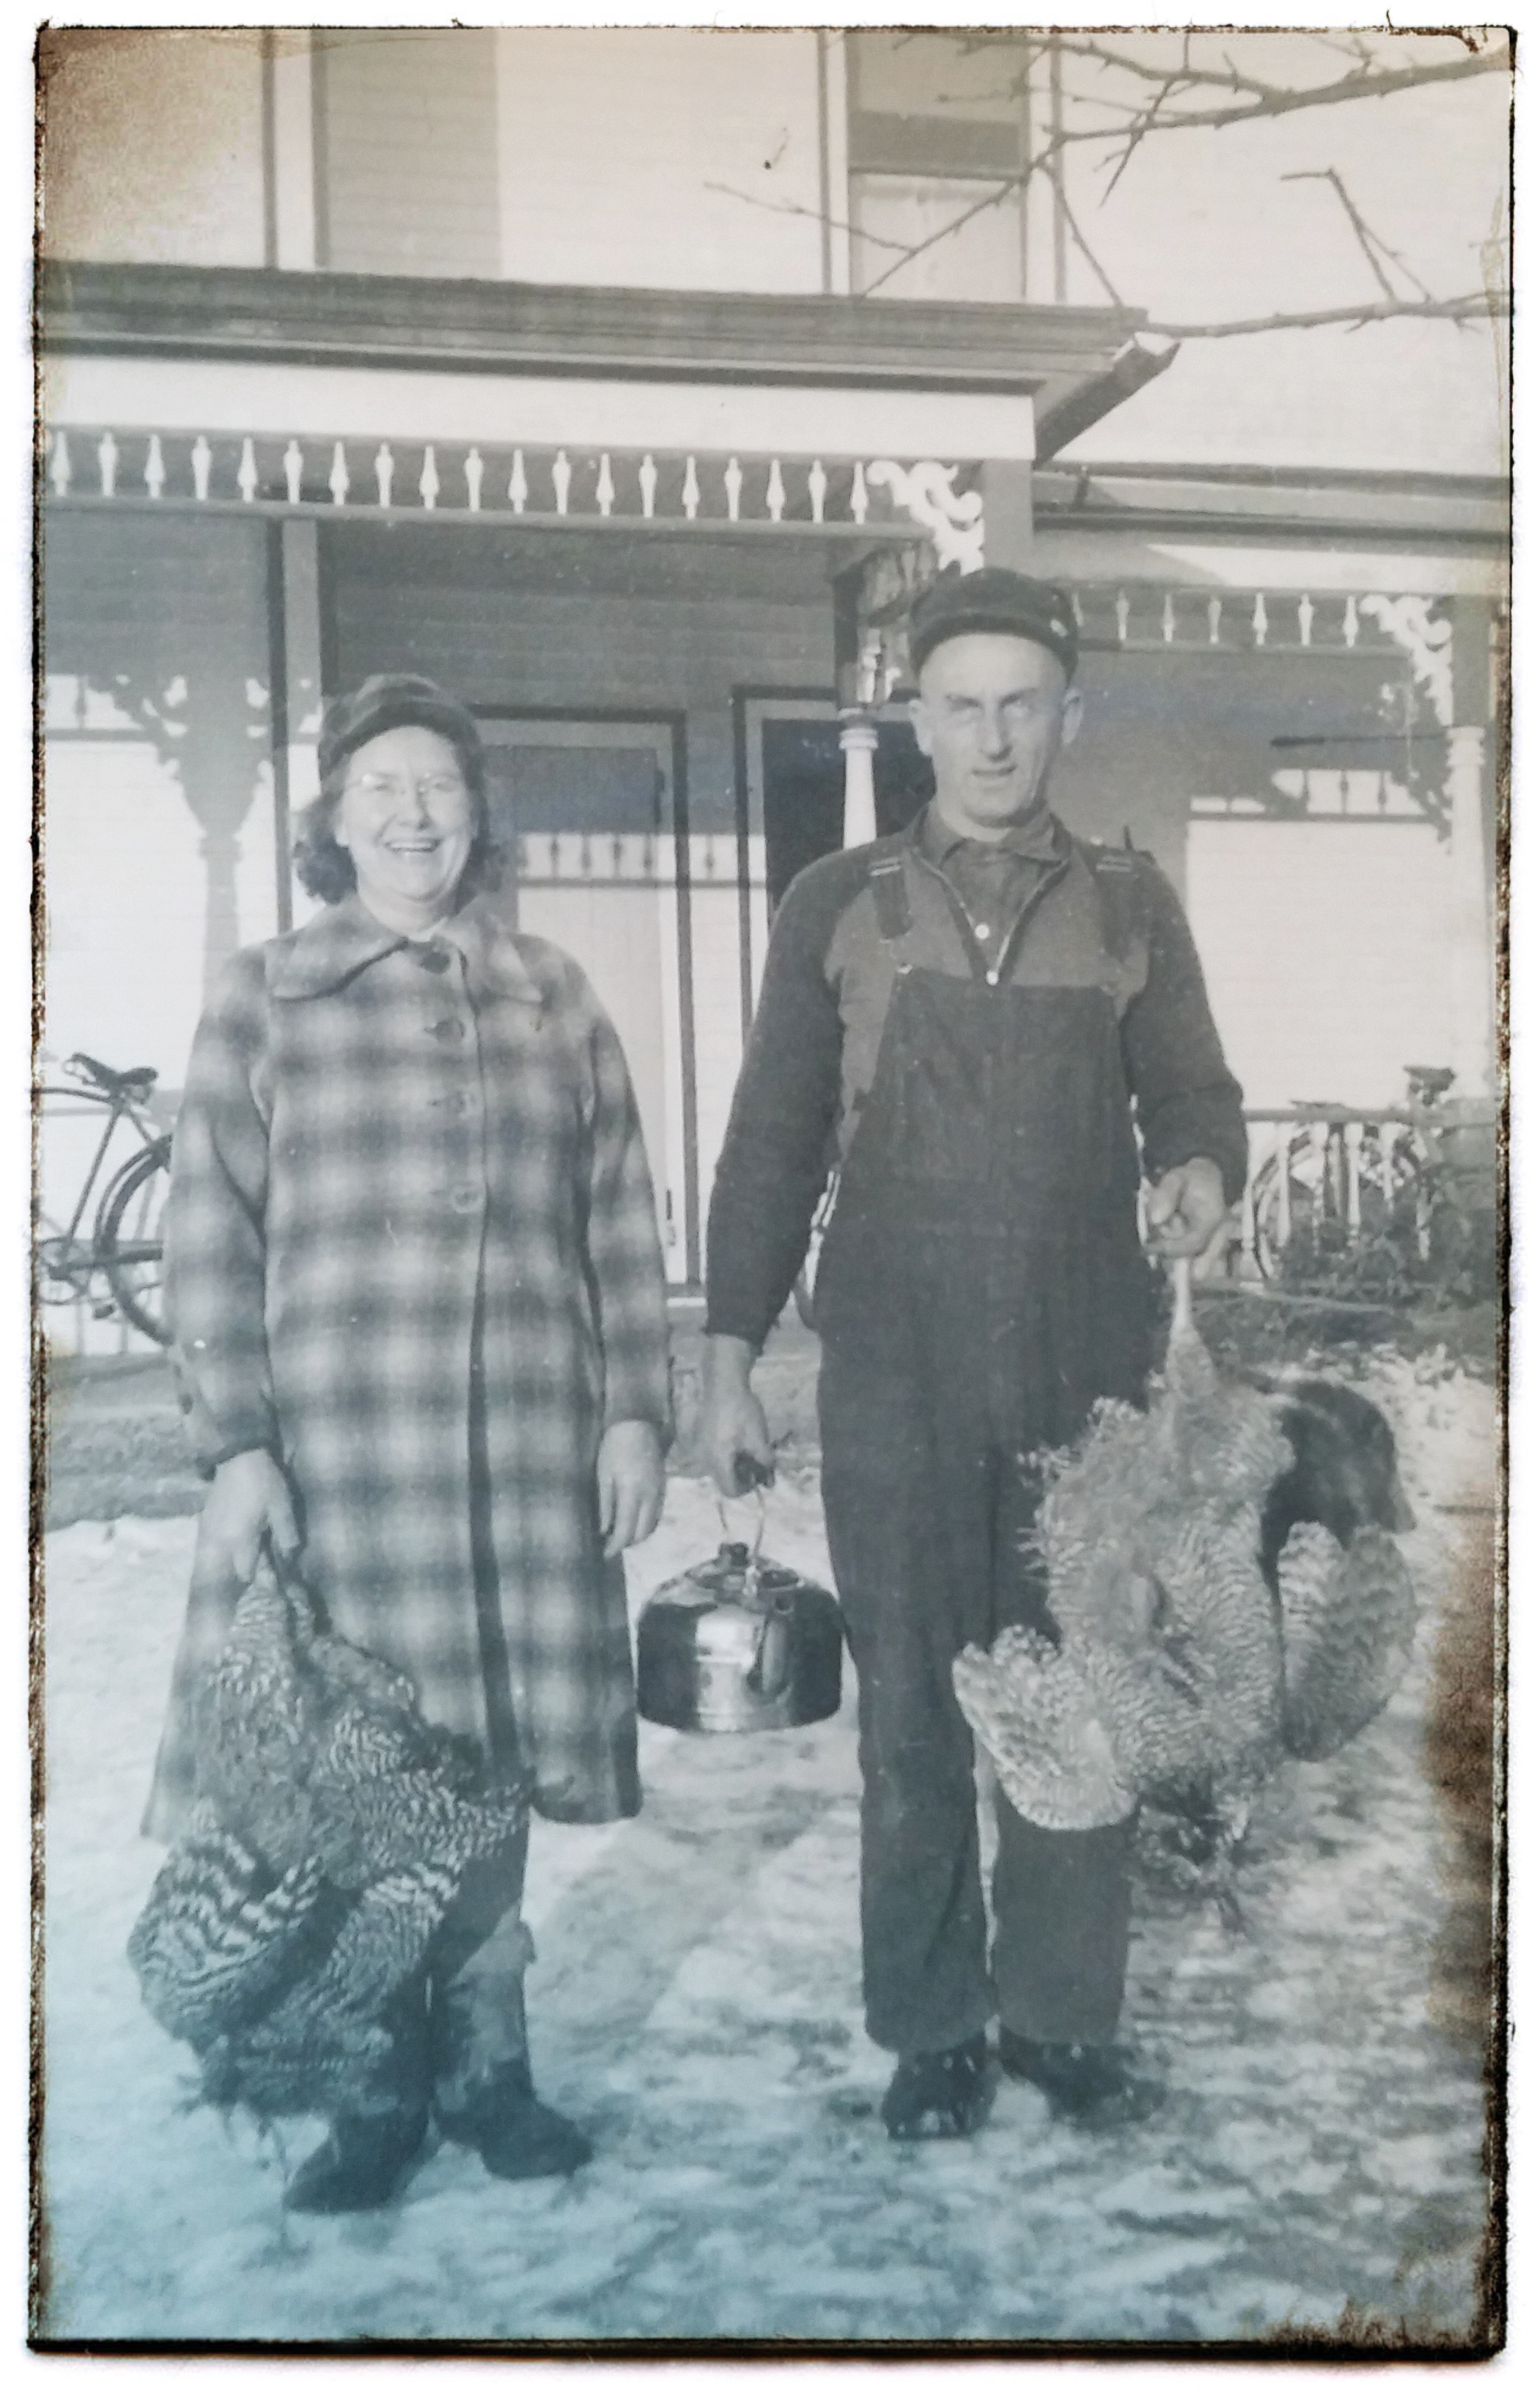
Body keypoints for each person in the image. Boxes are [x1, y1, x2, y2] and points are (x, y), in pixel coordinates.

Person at [700, 570, 1247, 2140]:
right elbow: (768, 1144)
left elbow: (1197, 1096)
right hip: (895, 1369)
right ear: (915, 714)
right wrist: (728, 1347)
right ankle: (930, 2023)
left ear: (1064, 713)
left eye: (1023, 701)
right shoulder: (838, 903)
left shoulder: (1134, 906)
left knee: (1081, 1687)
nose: (994, 734)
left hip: (1085, 1366)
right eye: (964, 703)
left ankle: (1064, 2014)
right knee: (914, 1713)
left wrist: (1202, 1169)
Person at [147, 672, 671, 2210]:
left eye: (438, 780)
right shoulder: (265, 993)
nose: (412, 810)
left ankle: (492, 2062)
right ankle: (371, 2074)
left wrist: (633, 1403)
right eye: (379, 783)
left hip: (522, 1447)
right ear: (330, 815)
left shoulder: (551, 991)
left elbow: (620, 1219)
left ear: (476, 805)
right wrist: (236, 1441)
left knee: (489, 1760)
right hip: (340, 1460)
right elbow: (205, 1235)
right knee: (355, 1771)